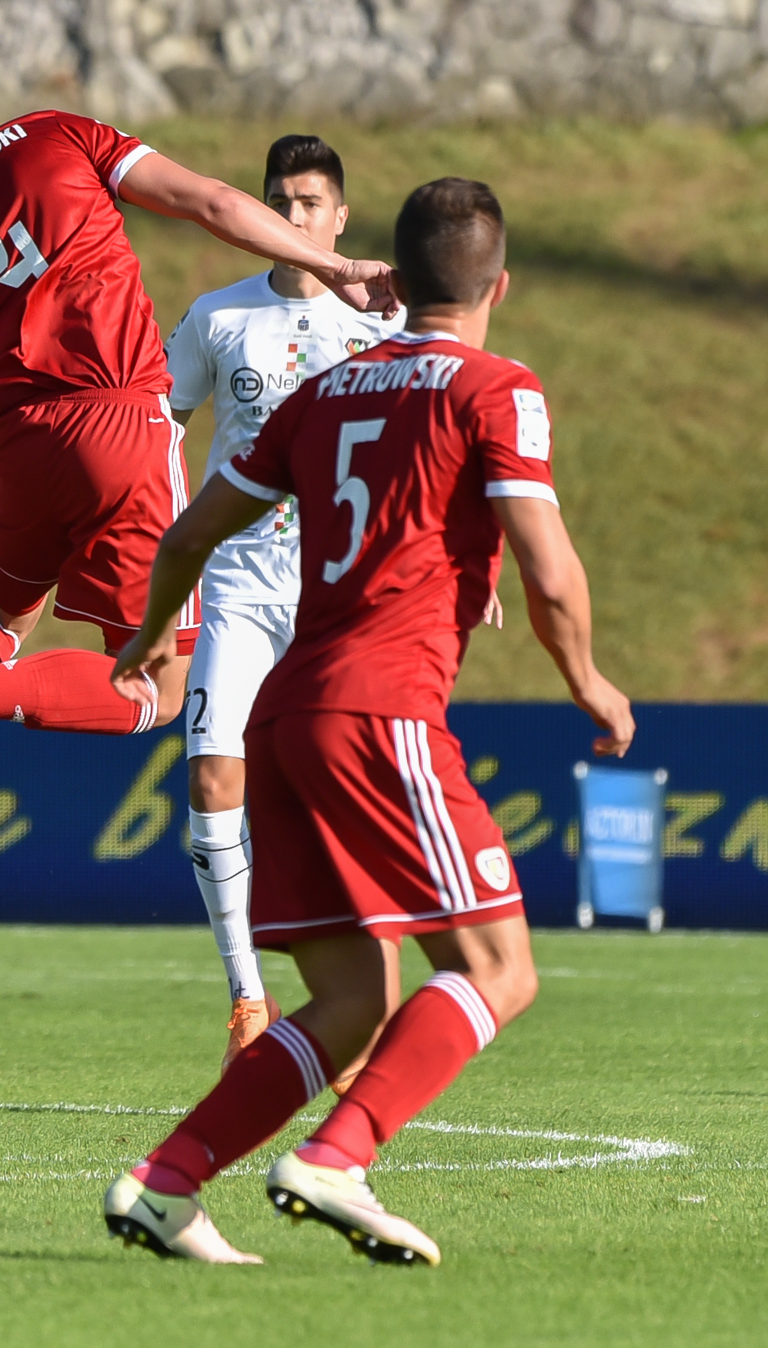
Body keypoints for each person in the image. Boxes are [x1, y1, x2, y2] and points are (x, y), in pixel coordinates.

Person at [100, 177, 635, 1265]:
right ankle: (337, 1157)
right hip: (378, 710)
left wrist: (154, 636)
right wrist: (586, 677)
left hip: (283, 718)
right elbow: (547, 569)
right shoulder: (497, 389)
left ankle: (164, 1183)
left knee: (350, 999)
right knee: (499, 969)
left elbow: (189, 534)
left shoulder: (325, 391)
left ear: (398, 273)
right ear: (498, 286)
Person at [0, 96, 398, 892]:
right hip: (117, 418)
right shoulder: (50, 132)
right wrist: (337, 266)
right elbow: (210, 202)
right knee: (155, 688)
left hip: (21, 440)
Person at [164, 134, 407, 1069]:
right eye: (278, 202)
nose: (293, 216)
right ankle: (246, 997)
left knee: (343, 792)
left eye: (309, 203)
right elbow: (158, 427)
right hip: (234, 584)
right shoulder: (218, 316)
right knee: (210, 776)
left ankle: (355, 1003)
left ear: (340, 217)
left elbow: (429, 438)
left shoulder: (382, 322)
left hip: (338, 594)